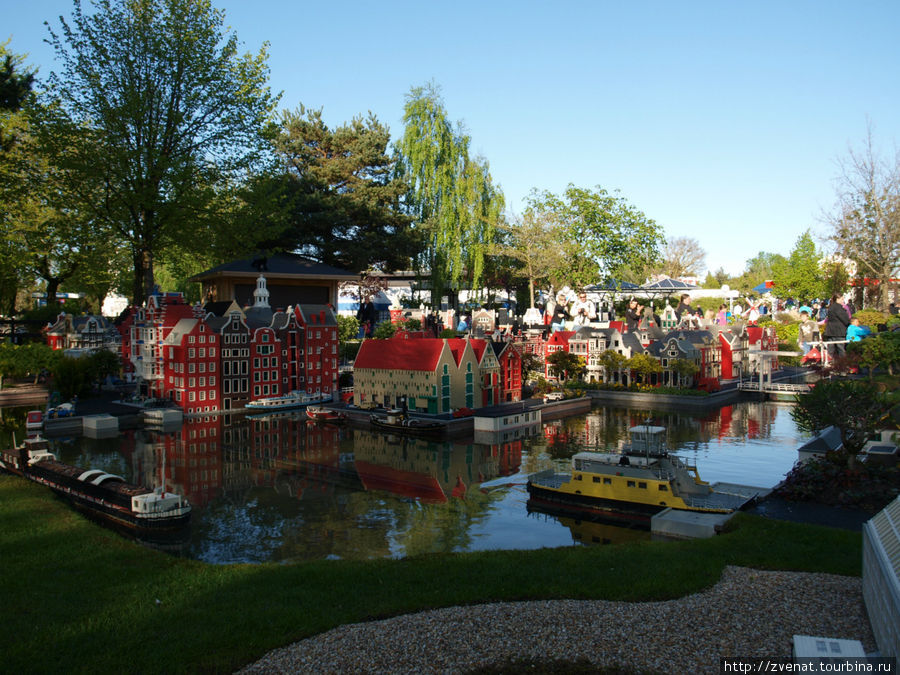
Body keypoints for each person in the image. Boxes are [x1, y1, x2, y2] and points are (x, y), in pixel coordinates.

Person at [823, 294, 851, 359]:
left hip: (830, 331)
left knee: (831, 350)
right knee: (841, 349)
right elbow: (845, 319)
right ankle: (842, 364)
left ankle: (829, 363)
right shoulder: (838, 308)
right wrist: (849, 323)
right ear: (837, 299)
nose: (843, 301)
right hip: (839, 332)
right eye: (842, 299)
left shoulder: (831, 307)